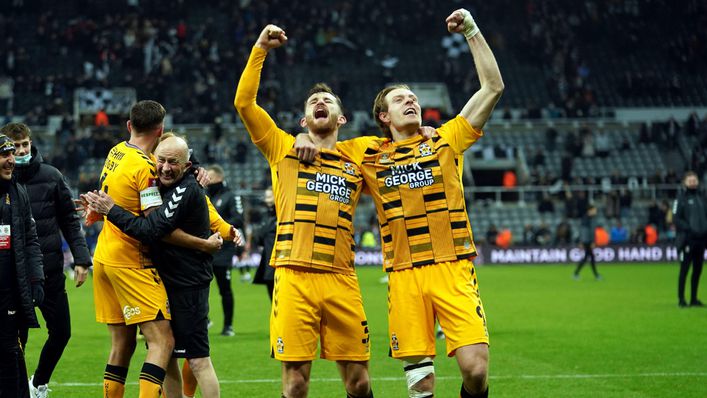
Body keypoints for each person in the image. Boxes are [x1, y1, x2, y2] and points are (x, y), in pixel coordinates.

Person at [296, 8, 503, 397]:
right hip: (405, 274)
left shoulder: (445, 139)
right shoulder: (366, 153)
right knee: (421, 383)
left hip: (453, 267)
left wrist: (472, 31)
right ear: (383, 115)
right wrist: (301, 138)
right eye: (400, 99)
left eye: (413, 98)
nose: (411, 101)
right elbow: (321, 138)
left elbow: (492, 88)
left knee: (475, 371)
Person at [234, 25, 374, 398]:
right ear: (303, 121)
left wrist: (422, 130)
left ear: (341, 119)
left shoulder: (360, 153)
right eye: (313, 103)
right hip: (294, 275)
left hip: (341, 276)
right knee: (296, 383)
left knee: (359, 383)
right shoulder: (282, 147)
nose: (320, 104)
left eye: (327, 102)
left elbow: (404, 145)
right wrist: (260, 49)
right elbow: (245, 104)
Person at [83, 135, 239, 398]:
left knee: (198, 359)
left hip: (188, 285)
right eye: (161, 161)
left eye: (173, 162)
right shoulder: (159, 183)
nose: (165, 167)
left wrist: (111, 209)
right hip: (164, 280)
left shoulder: (185, 189)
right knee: (166, 356)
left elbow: (152, 229)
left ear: (187, 166)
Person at [83, 100, 197, 398]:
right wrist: (202, 242)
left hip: (104, 258)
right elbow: (155, 224)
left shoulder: (116, 151)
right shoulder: (146, 168)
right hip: (131, 261)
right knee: (162, 342)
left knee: (122, 344)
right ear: (160, 130)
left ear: (129, 126)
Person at [3, 122, 92, 398]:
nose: (21, 151)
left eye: (25, 145)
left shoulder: (52, 176)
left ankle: (38, 384)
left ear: (31, 144)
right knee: (16, 341)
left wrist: (81, 259)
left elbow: (69, 219)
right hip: (17, 276)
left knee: (62, 332)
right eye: (15, 147)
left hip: (51, 271)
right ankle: (17, 388)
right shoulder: (6, 182)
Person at [0, 134, 44, 398]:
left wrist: (36, 279)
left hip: (10, 289)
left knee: (11, 351)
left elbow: (30, 239)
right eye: (4, 155)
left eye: (11, 155)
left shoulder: (17, 191)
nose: (10, 160)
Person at [205, 164, 245, 336]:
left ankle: (228, 326)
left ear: (220, 178)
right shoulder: (205, 196)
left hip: (224, 251)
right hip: (205, 248)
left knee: (224, 288)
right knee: (198, 286)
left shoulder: (231, 196)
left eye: (211, 179)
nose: (208, 182)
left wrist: (218, 225)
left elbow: (239, 218)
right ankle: (204, 320)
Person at [673, 171, 707, 307]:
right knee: (684, 270)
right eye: (690, 181)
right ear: (685, 183)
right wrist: (688, 229)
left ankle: (694, 299)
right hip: (687, 240)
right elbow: (676, 219)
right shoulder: (680, 199)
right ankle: (681, 299)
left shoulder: (702, 197)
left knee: (698, 271)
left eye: (695, 180)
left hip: (701, 240)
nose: (693, 183)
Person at [251, 186, 277, 301]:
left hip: (278, 261)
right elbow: (259, 238)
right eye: (266, 196)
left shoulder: (282, 215)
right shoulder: (266, 215)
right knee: (272, 298)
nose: (267, 199)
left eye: (270, 196)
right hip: (267, 260)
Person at [573, 205, 602, 280]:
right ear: (590, 210)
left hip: (587, 241)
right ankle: (596, 275)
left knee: (588, 258)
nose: (595, 212)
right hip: (587, 241)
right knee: (590, 257)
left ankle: (576, 273)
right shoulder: (586, 219)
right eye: (594, 210)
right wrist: (586, 242)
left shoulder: (590, 218)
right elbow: (585, 232)